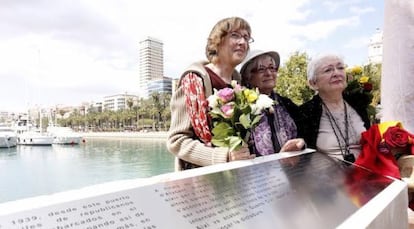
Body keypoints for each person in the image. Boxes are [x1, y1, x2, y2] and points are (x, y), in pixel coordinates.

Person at [166, 17, 255, 171]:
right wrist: (224, 157)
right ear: (217, 42)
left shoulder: (241, 84)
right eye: (235, 35)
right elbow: (176, 141)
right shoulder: (194, 81)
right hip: (202, 183)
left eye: (246, 38)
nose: (243, 42)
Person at [299, 53, 371, 163]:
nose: (337, 73)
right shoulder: (305, 113)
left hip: (367, 173)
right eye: (328, 70)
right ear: (313, 83)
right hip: (327, 178)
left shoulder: (358, 104)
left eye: (340, 67)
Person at [239, 50, 306, 156]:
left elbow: (304, 135)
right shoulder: (240, 107)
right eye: (261, 69)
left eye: (271, 68)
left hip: (291, 169)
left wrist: (300, 144)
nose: (269, 73)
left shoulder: (286, 104)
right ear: (248, 76)